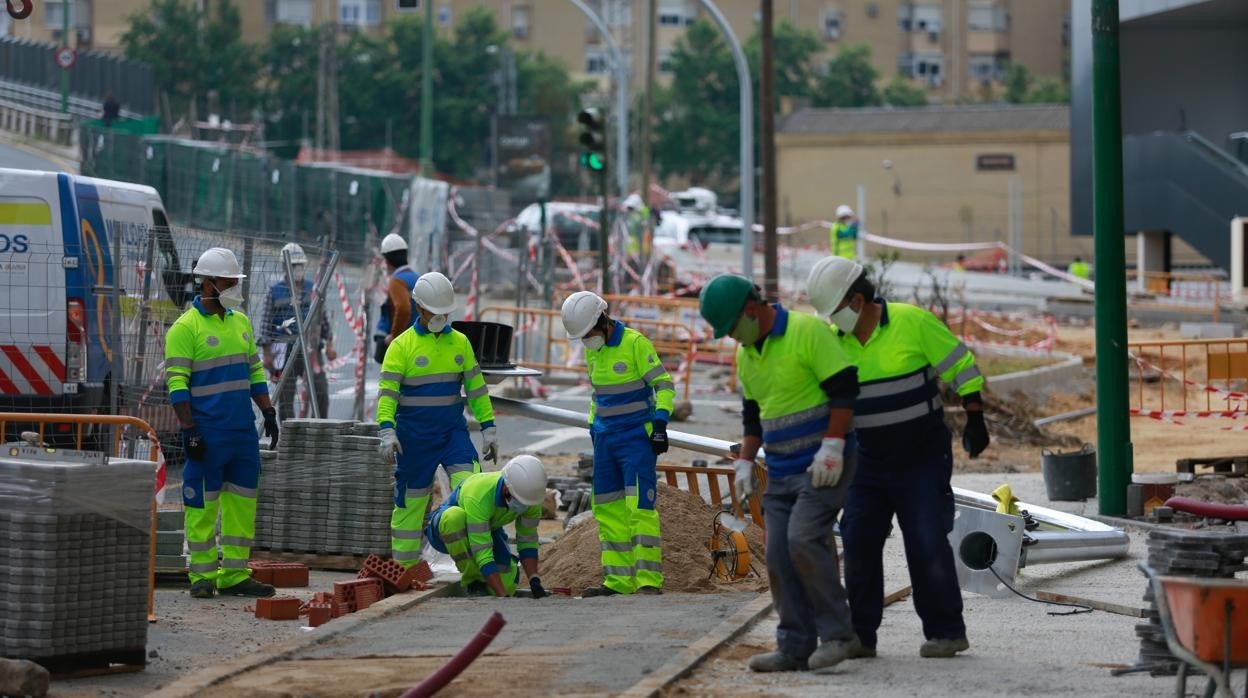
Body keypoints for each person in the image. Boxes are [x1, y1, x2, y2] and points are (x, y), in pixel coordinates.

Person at [806, 255, 991, 659]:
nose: (831, 320)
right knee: (858, 541)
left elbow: (960, 364)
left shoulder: (912, 322)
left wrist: (975, 416)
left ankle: (946, 631)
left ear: (856, 301)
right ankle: (860, 635)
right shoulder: (832, 341)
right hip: (866, 461)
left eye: (835, 311)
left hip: (921, 455)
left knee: (925, 539)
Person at [697, 274, 860, 673]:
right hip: (783, 469)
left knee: (803, 538)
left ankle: (839, 635)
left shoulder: (807, 332)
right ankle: (794, 646)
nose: (733, 337)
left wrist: (833, 444)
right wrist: (745, 460)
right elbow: (754, 415)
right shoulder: (746, 354)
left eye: (733, 327)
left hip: (826, 463)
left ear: (752, 309)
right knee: (777, 553)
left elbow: (845, 390)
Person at [165, 247, 280, 599]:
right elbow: (177, 385)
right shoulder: (186, 328)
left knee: (242, 504)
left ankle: (234, 574)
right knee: (202, 504)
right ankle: (201, 576)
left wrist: (268, 411)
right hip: (207, 433)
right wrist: (189, 430)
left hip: (242, 433)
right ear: (209, 283)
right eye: (229, 283)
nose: (234, 289)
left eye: (235, 283)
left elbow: (254, 371)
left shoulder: (240, 321)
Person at [376, 271, 498, 569]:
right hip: (414, 440)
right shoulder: (401, 348)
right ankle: (403, 570)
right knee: (410, 506)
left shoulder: (460, 344)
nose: (441, 317)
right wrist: (387, 431)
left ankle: (480, 567)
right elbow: (388, 395)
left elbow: (477, 390)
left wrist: (489, 427)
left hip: (452, 436)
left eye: (446, 312)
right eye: (436, 311)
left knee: (472, 493)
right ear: (419, 307)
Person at [560, 291, 674, 597]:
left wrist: (660, 424)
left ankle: (649, 580)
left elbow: (663, 386)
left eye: (587, 333)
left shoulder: (635, 343)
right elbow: (599, 396)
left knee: (640, 508)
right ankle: (619, 581)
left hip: (636, 439)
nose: (586, 340)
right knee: (608, 510)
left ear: (602, 321)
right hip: (606, 441)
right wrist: (593, 428)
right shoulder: (592, 350)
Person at [425, 455, 549, 598]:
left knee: (507, 586)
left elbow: (527, 539)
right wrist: (501, 597)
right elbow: (482, 550)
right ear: (506, 488)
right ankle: (474, 581)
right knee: (453, 517)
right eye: (518, 499)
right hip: (445, 531)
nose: (522, 505)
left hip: (488, 529)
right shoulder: (480, 494)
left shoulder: (530, 498)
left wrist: (534, 580)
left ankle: (487, 580)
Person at [258, 243, 336, 420]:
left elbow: (323, 319)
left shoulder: (312, 289)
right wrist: (267, 353)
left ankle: (322, 429)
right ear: (285, 266)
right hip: (282, 352)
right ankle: (289, 436)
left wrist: (329, 344)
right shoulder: (274, 292)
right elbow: (265, 324)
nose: (298, 269)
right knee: (285, 397)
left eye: (300, 265)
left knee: (320, 391)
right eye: (294, 266)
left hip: (310, 350)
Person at [374, 233, 418, 364]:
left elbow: (404, 308)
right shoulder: (416, 277)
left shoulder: (397, 281)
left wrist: (394, 336)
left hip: (403, 343)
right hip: (417, 339)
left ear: (386, 260)